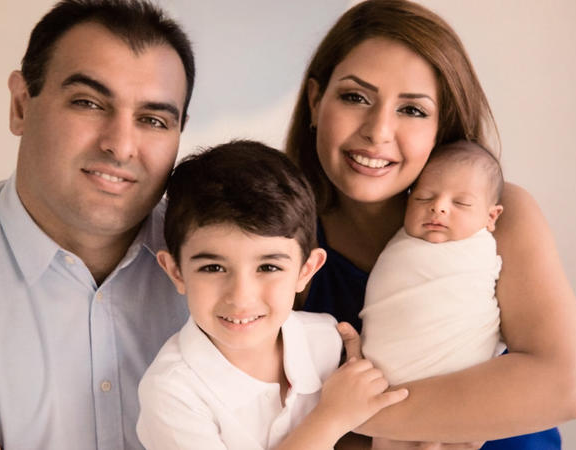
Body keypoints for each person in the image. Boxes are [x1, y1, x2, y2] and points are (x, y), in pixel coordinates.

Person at [285, 0, 576, 448]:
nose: (378, 130)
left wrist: (350, 419)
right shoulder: (276, 232)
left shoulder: (498, 217)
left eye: (412, 110)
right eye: (356, 97)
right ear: (316, 102)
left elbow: (567, 386)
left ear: (441, 125)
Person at [0, 1, 195, 448]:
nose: (121, 146)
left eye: (152, 120)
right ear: (20, 105)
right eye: (88, 103)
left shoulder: (235, 266)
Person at [135, 140, 408, 450]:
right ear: (176, 272)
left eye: (267, 267)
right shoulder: (172, 391)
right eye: (213, 268)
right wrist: (332, 417)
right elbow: (338, 422)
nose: (240, 296)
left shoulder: (326, 340)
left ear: (306, 270)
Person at [361, 141, 506, 449]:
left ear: (491, 217)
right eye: (424, 197)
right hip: (390, 392)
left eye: (461, 203)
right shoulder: (400, 246)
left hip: (458, 385)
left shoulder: (479, 250)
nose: (438, 207)